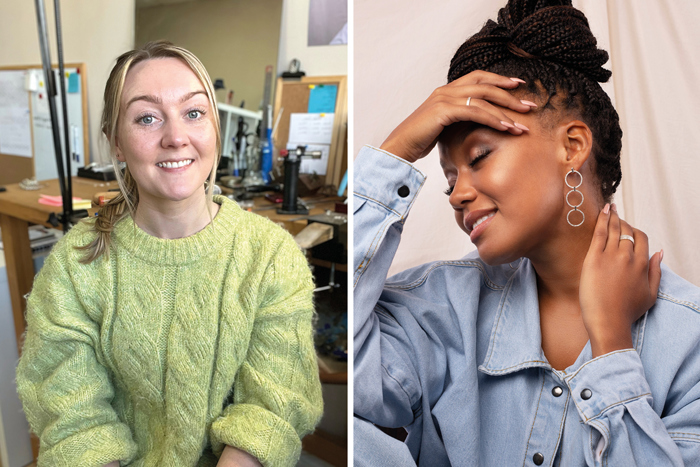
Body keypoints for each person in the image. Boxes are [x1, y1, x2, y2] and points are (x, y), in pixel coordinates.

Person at [353, 1, 700, 465]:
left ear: (572, 146)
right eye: (450, 181)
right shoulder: (441, 307)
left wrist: (613, 346)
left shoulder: (689, 341)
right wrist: (397, 148)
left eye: (478, 158)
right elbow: (334, 370)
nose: (457, 196)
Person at [16, 41, 323, 467]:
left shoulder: (271, 256)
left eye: (194, 113)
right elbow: (75, 423)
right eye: (147, 118)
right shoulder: (75, 264)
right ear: (117, 144)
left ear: (214, 128)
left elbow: (270, 408)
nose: (176, 137)